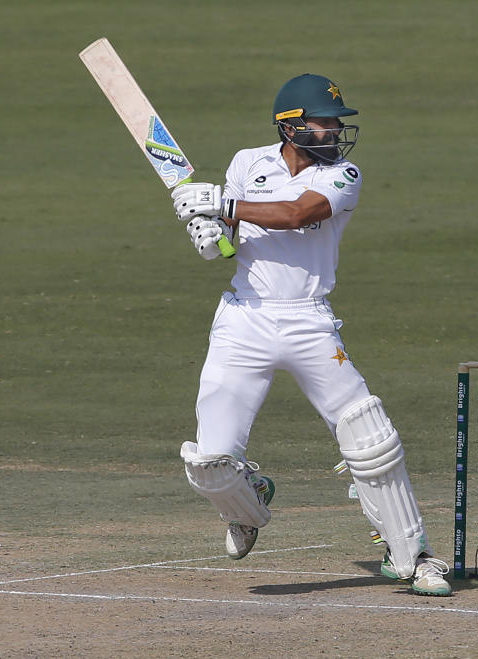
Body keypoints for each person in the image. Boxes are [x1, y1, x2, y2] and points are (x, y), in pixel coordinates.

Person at [170, 73, 452, 597]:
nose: (332, 132)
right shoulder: (246, 162)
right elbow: (228, 240)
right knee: (209, 463)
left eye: (335, 124)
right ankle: (246, 504)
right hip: (243, 319)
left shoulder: (344, 174)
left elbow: (298, 215)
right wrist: (209, 233)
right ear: (290, 125)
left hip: (310, 320)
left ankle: (415, 558)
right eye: (323, 123)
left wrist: (222, 206)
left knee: (371, 439)